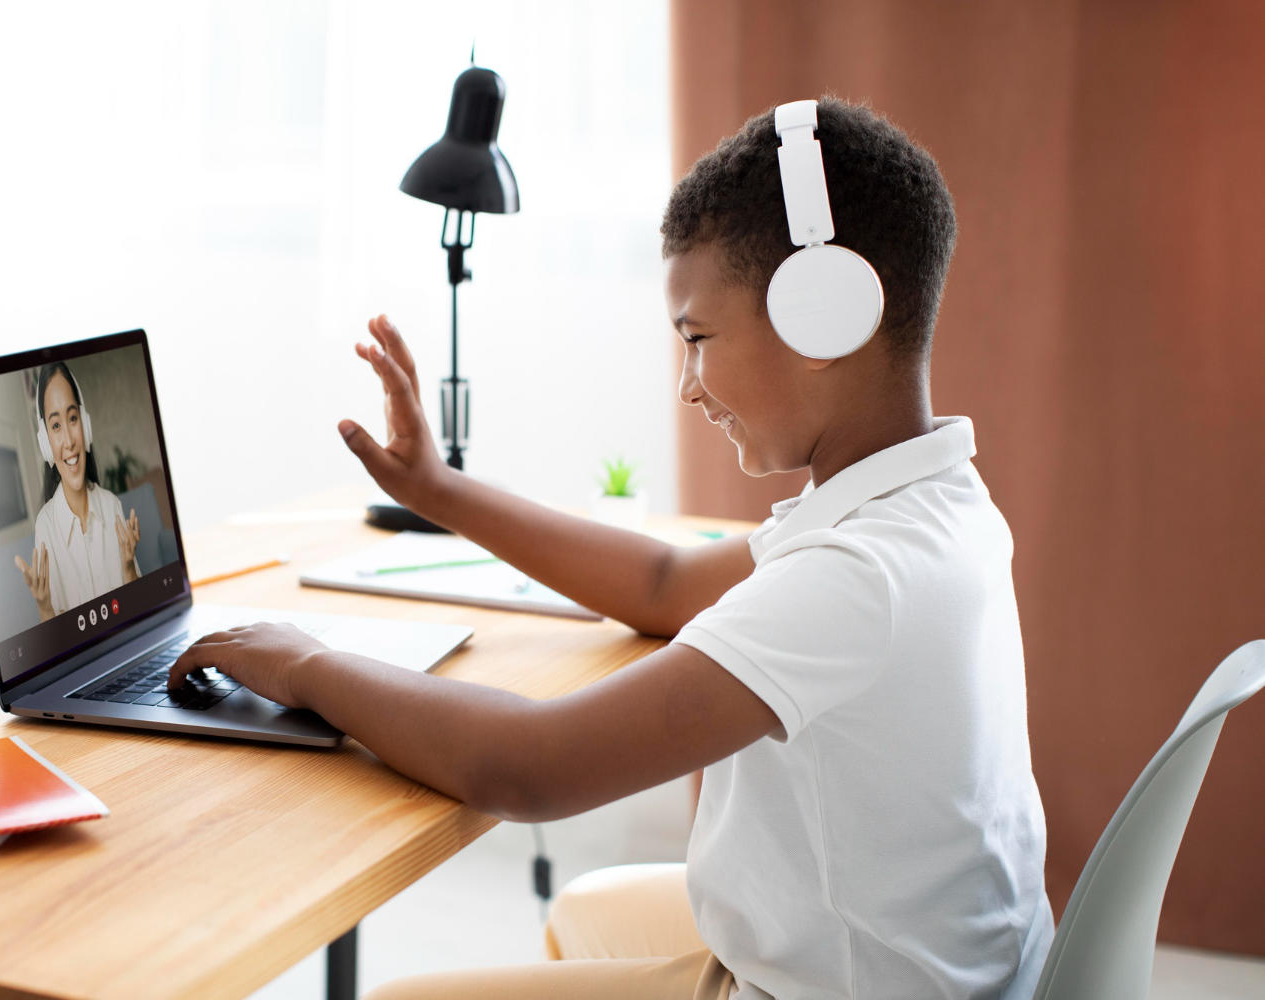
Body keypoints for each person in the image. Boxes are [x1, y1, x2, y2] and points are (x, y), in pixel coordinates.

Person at [170, 97, 1053, 999]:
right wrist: (437, 490)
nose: (688, 386)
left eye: (698, 339)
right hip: (936, 965)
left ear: (820, 318)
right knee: (585, 912)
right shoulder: (920, 502)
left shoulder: (857, 575)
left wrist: (307, 664)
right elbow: (665, 584)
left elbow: (530, 768)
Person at [16, 361, 141, 621]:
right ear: (45, 443)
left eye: (72, 419)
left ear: (85, 425)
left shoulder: (112, 506)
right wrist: (44, 607)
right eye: (56, 426)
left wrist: (129, 568)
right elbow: (60, 637)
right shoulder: (46, 525)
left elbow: (138, 614)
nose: (69, 441)